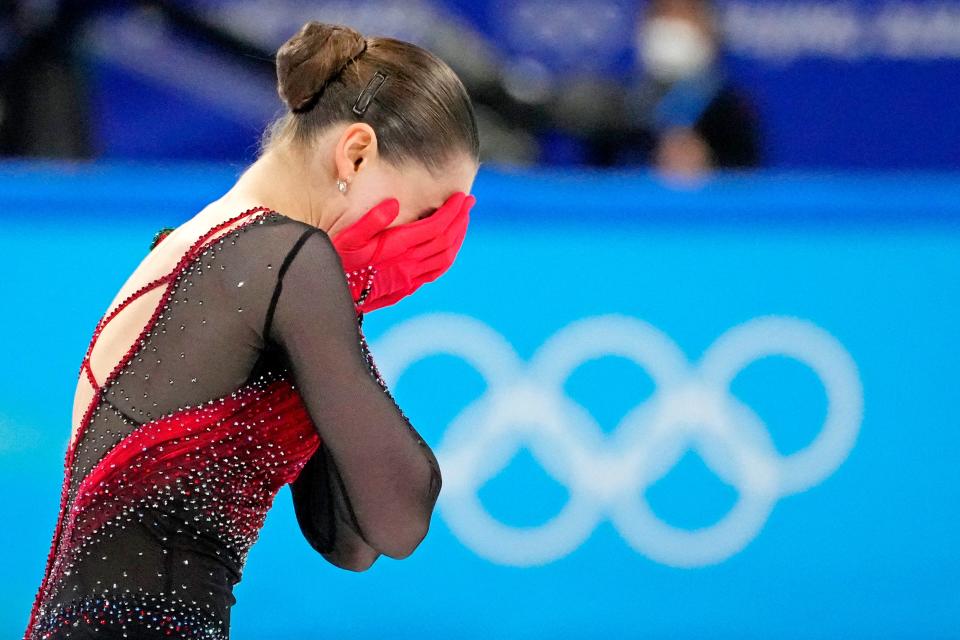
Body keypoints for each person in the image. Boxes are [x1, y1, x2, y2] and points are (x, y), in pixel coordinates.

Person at [22, 20, 479, 639]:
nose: (428, 239)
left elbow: (349, 538)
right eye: (428, 213)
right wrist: (349, 289)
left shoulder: (225, 253)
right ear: (356, 153)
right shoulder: (284, 260)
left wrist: (343, 304)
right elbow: (401, 514)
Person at [581, 0, 762, 177]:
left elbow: (748, 185)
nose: (671, 26)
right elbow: (597, 182)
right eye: (662, 13)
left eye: (684, 15)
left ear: (710, 28)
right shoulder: (618, 107)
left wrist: (709, 167)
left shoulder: (731, 110)